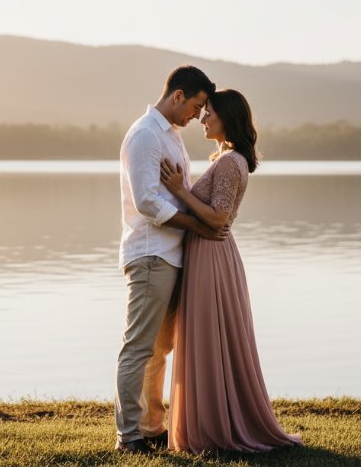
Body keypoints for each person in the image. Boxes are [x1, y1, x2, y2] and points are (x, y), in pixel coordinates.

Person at [160, 89, 303, 453]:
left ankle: (214, 428)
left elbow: (219, 215)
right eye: (203, 112)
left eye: (209, 113)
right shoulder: (228, 158)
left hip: (212, 255)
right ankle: (212, 419)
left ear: (227, 118)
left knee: (209, 336)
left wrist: (180, 190)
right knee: (211, 338)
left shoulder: (229, 162)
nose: (203, 119)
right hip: (213, 253)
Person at [114, 65, 226, 454]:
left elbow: (176, 191)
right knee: (139, 346)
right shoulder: (146, 135)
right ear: (178, 95)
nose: (198, 116)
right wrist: (196, 224)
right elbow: (147, 201)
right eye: (196, 106)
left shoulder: (171, 136)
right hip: (149, 255)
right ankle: (127, 436)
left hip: (171, 255)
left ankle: (150, 428)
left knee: (159, 350)